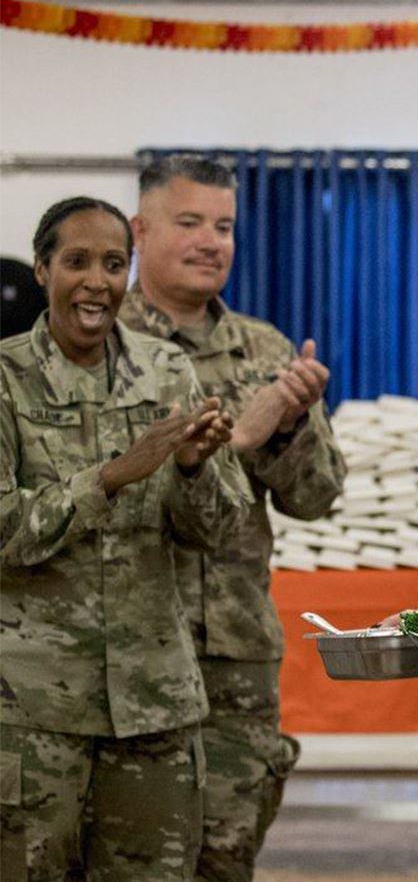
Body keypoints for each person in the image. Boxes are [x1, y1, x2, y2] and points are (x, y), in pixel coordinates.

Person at [1, 196, 249, 881]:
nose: (97, 281)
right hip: (31, 713)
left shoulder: (167, 371)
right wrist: (109, 477)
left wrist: (195, 469)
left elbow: (216, 530)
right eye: (76, 261)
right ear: (44, 269)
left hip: (155, 706)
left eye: (114, 264)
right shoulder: (4, 377)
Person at [116, 155, 347, 882]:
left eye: (224, 226)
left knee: (226, 855)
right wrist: (237, 437)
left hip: (235, 653)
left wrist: (288, 424)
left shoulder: (264, 349)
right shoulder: (97, 346)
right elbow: (90, 490)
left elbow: (318, 494)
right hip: (123, 651)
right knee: (127, 858)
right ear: (140, 229)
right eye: (189, 222)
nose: (211, 240)